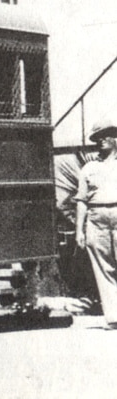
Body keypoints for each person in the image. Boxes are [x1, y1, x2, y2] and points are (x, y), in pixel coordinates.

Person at [75, 116, 117, 328]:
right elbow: (81, 201)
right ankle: (114, 317)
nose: (102, 140)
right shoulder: (89, 168)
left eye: (106, 135)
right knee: (103, 267)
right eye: (98, 137)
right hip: (96, 219)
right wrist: (79, 232)